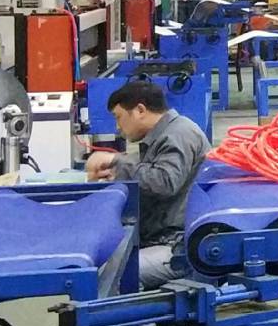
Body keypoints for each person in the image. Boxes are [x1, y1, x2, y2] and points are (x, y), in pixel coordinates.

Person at [87, 79, 211, 292]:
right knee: (99, 258)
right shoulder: (163, 136)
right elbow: (150, 171)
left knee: (112, 276)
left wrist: (118, 162)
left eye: (119, 117)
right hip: (158, 237)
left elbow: (165, 181)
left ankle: (136, 314)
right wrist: (116, 174)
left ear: (140, 110)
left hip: (177, 245)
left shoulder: (180, 133)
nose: (118, 127)